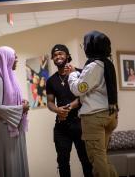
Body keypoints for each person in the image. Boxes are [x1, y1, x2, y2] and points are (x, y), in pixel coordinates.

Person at [67, 31, 119, 177]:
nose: (84, 47)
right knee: (102, 159)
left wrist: (72, 74)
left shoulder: (94, 66)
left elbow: (78, 89)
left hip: (94, 118)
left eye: (85, 44)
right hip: (110, 116)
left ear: (91, 46)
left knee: (97, 160)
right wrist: (79, 73)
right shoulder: (107, 64)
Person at [46, 44, 93, 177]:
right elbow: (50, 102)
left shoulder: (80, 72)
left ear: (67, 55)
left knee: (86, 160)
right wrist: (57, 110)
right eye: (55, 55)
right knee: (62, 162)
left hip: (80, 124)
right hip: (61, 126)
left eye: (61, 53)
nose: (58, 56)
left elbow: (85, 96)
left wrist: (69, 107)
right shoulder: (51, 81)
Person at [0, 46, 30, 177]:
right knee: (8, 162)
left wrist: (21, 103)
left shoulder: (9, 78)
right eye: (14, 56)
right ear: (5, 59)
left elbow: (8, 100)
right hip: (1, 128)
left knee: (12, 162)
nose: (16, 59)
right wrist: (22, 108)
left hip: (8, 125)